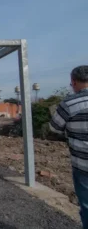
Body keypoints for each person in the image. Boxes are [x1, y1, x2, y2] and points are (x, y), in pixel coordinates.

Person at [50, 65, 88, 228]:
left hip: (83, 164)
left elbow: (54, 127)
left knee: (86, 206)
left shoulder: (69, 103)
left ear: (73, 81)